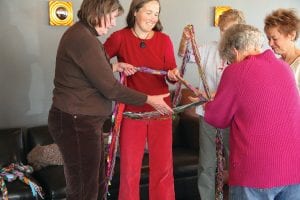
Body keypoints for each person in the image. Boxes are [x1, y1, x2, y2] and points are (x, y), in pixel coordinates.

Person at [48, 0, 173, 199]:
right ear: (99, 12)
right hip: (76, 121)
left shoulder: (85, 36)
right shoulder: (83, 39)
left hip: (85, 122)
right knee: (84, 189)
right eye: (112, 16)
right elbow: (111, 88)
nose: (114, 22)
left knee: (95, 183)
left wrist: (115, 67)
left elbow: (90, 71)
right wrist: (150, 99)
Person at [204, 23, 300, 200]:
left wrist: (208, 104)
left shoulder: (236, 71)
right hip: (293, 170)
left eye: (229, 60)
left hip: (256, 172)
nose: (229, 64)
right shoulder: (284, 67)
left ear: (235, 51)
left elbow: (216, 117)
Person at [104, 0, 178, 199]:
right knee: (129, 169)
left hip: (161, 109)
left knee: (163, 167)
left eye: (156, 13)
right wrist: (116, 67)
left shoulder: (164, 40)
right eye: (149, 12)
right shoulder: (119, 37)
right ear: (135, 12)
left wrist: (172, 75)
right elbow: (97, 65)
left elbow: (170, 73)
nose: (153, 18)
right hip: (131, 111)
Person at [178, 9, 245, 200]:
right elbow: (184, 54)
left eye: (230, 30)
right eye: (223, 30)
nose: (226, 35)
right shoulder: (208, 49)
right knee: (207, 163)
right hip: (208, 116)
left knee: (236, 164)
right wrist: (185, 39)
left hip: (234, 119)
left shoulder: (244, 56)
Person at [264, 8, 300, 89]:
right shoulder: (278, 63)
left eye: (275, 38)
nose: (270, 43)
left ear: (291, 35)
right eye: (269, 39)